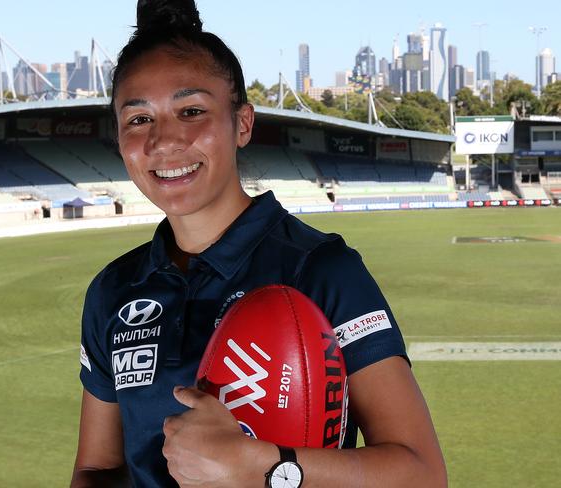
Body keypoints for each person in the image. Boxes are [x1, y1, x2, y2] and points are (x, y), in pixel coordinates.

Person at [71, 1, 447, 486]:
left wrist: (265, 466)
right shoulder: (113, 292)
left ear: (243, 124)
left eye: (191, 111)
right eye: (139, 119)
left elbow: (422, 474)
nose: (163, 142)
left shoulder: (321, 269)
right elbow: (96, 467)